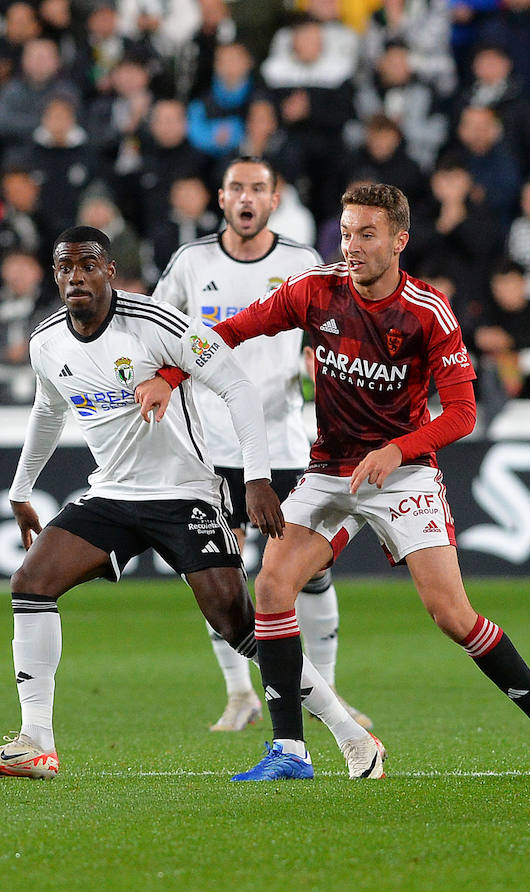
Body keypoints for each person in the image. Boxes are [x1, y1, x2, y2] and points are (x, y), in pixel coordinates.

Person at [136, 184, 530, 781]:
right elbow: (233, 331)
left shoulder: (427, 312)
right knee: (272, 589)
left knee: (452, 616)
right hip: (330, 469)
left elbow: (462, 414)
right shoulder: (316, 289)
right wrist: (171, 374)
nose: (350, 246)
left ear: (399, 240)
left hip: (403, 473)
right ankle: (291, 752)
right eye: (346, 232)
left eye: (366, 234)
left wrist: (396, 449)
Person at [0, 226, 385, 781]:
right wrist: (21, 492)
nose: (76, 277)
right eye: (65, 267)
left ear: (110, 270)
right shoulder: (47, 342)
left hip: (186, 494)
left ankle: (352, 737)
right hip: (112, 495)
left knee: (239, 625)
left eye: (88, 265)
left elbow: (237, 386)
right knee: (30, 583)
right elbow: (47, 412)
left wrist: (256, 479)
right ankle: (36, 740)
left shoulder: (156, 324)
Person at [150, 156, 372, 734]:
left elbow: (342, 327)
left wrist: (316, 359)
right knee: (216, 571)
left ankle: (328, 693)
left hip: (285, 444)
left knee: (311, 574)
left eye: (258, 188)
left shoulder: (301, 263)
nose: (247, 198)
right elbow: (157, 334)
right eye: (236, 188)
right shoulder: (191, 263)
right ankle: (239, 693)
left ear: (274, 200)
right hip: (211, 444)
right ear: (220, 199)